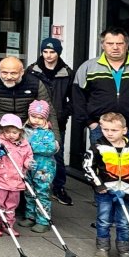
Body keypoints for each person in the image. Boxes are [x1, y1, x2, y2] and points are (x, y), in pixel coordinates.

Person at [71, 27, 129, 230]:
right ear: (102, 45)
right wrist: (89, 121)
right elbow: (78, 96)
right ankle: (106, 220)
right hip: (102, 130)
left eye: (119, 43)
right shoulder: (89, 67)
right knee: (103, 173)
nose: (115, 47)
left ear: (126, 44)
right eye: (110, 43)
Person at [82, 112, 129, 257]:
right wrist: (98, 185)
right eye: (106, 129)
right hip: (106, 191)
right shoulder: (98, 147)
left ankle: (125, 250)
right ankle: (102, 247)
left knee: (124, 222)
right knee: (103, 220)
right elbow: (88, 167)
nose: (109, 133)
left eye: (114, 130)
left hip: (126, 191)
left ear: (124, 130)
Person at [28, 37, 73, 205]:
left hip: (57, 120)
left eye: (52, 52)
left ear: (58, 53)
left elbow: (73, 98)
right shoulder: (33, 70)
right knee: (32, 152)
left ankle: (58, 187)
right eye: (45, 51)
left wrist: (63, 113)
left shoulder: (67, 72)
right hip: (35, 119)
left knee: (57, 153)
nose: (48, 55)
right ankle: (32, 185)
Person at [0, 114, 32, 237]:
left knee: (12, 204)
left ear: (20, 132)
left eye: (14, 132)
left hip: (16, 180)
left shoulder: (24, 144)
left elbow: (28, 156)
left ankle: (8, 224)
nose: (10, 135)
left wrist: (29, 164)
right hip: (0, 178)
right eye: (7, 132)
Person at [0, 56, 51, 130]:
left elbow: (48, 109)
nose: (9, 77)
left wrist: (56, 139)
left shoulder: (35, 83)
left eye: (13, 73)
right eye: (4, 73)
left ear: (22, 72)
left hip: (26, 128)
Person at [18, 100, 58, 233]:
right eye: (33, 116)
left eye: (40, 118)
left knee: (42, 192)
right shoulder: (24, 130)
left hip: (44, 168)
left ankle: (43, 220)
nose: (36, 120)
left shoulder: (47, 132)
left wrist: (29, 147)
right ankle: (30, 216)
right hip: (28, 166)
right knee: (29, 191)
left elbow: (51, 148)